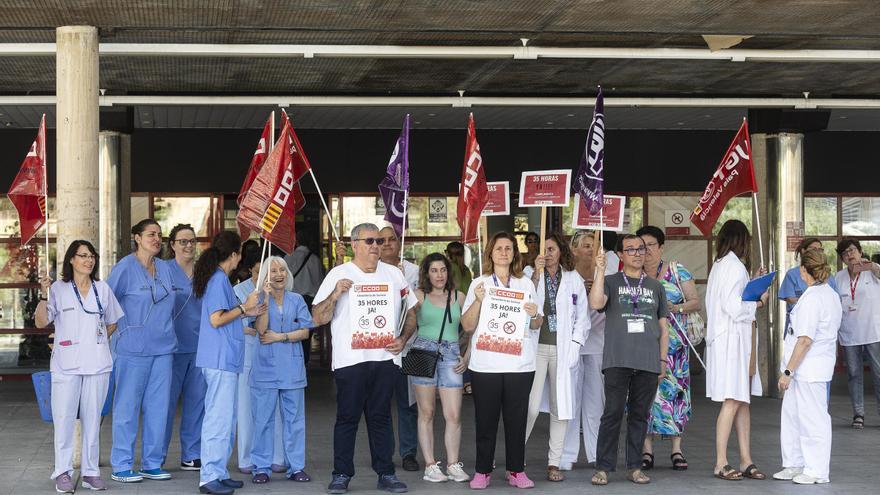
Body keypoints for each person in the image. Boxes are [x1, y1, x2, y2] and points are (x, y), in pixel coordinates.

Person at [311, 223, 418, 495]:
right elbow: (317, 317)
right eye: (369, 240)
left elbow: (412, 313)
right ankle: (341, 475)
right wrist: (336, 293)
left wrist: (403, 340)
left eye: (380, 241)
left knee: (381, 417)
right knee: (347, 418)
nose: (375, 246)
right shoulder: (339, 273)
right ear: (354, 244)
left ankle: (386, 473)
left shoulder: (394, 274)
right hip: (351, 360)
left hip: (385, 358)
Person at [36, 241, 124, 493]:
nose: (89, 260)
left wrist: (95, 340)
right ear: (71, 260)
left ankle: (90, 472)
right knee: (63, 420)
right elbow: (42, 322)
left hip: (97, 364)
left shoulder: (102, 288)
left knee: (93, 420)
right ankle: (62, 472)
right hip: (66, 365)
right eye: (83, 256)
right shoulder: (58, 289)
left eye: (92, 256)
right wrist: (44, 294)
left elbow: (113, 321)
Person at [460, 231, 543, 490]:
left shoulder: (526, 284)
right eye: (499, 249)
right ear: (491, 253)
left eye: (508, 248)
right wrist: (478, 300)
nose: (504, 252)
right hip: (486, 364)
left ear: (514, 253)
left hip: (520, 364)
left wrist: (533, 314)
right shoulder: (479, 283)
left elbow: (538, 322)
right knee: (485, 421)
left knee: (516, 421)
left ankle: (516, 470)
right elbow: (467, 325)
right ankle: (483, 471)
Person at [588, 234, 670, 486]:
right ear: (620, 256)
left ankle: (635, 467)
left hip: (647, 360)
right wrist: (600, 271)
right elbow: (595, 302)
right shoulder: (611, 282)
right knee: (612, 413)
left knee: (639, 415)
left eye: (640, 249)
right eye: (630, 249)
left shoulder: (656, 287)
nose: (636, 253)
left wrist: (663, 360)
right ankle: (603, 467)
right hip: (617, 359)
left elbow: (663, 327)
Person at [193, 231, 267, 495]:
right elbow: (216, 319)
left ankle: (220, 472)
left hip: (226, 359)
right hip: (219, 359)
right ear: (234, 255)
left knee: (227, 419)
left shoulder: (221, 280)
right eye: (240, 255)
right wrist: (245, 308)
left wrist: (249, 310)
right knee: (218, 419)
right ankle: (209, 476)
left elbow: (228, 315)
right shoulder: (217, 281)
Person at [107, 219, 177, 483]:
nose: (157, 239)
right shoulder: (124, 268)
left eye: (159, 234)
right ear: (137, 237)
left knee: (159, 409)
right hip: (132, 350)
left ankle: (152, 462)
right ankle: (122, 464)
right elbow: (106, 304)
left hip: (164, 349)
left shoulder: (165, 268)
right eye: (151, 234)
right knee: (127, 408)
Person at [705, 219, 769, 481]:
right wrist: (759, 300)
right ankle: (721, 462)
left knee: (742, 401)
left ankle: (746, 459)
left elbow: (733, 297)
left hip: (732, 341)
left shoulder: (722, 265)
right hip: (731, 342)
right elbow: (735, 307)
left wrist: (753, 283)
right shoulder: (732, 266)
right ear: (741, 240)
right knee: (732, 400)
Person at [773, 249, 842, 485]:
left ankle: (817, 470)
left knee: (813, 419)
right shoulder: (828, 294)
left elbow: (805, 340)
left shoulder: (814, 298)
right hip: (806, 368)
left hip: (810, 369)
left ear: (804, 270)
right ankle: (794, 463)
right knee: (792, 417)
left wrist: (788, 372)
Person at [525, 232, 590, 482]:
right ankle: (516, 457)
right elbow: (524, 302)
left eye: (552, 249)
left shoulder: (573, 278)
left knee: (560, 407)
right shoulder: (530, 274)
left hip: (564, 350)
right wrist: (536, 274)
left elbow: (582, 317)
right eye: (544, 249)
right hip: (536, 348)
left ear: (561, 251)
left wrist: (574, 345)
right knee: (529, 407)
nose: (548, 253)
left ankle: (555, 462)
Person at [636, 225, 701, 472]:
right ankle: (646, 450)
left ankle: (676, 449)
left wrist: (676, 308)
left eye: (651, 245)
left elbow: (695, 302)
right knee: (644, 396)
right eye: (641, 246)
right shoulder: (633, 274)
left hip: (674, 350)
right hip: (643, 346)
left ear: (661, 247)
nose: (646, 251)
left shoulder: (677, 271)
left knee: (675, 396)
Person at [250, 256, 314, 483]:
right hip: (265, 369)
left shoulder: (297, 299)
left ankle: (296, 467)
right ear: (265, 276)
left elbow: (305, 331)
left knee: (294, 420)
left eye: (282, 270)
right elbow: (261, 329)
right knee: (263, 420)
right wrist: (265, 297)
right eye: (273, 271)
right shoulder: (258, 299)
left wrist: (281, 336)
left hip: (292, 368)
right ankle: (261, 467)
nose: (278, 274)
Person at [411, 253, 470, 483]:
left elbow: (474, 329)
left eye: (443, 270)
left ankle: (453, 464)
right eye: (434, 270)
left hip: (452, 353)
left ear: (449, 272)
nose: (439, 275)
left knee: (454, 414)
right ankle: (430, 465)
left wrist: (467, 356)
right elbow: (403, 321)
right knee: (426, 413)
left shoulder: (459, 297)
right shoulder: (418, 296)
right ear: (426, 273)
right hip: (422, 351)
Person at [232, 244, 286, 474]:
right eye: (257, 272)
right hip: (247, 354)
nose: (261, 278)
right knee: (245, 407)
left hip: (273, 354)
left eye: (266, 272)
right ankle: (246, 458)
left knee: (274, 407)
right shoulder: (240, 291)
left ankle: (277, 456)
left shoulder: (281, 291)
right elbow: (236, 324)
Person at [162, 224, 206, 472]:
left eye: (192, 241)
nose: (188, 246)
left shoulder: (204, 273)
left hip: (200, 348)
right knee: (164, 405)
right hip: (170, 349)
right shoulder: (163, 271)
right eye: (183, 241)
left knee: (196, 403)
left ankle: (192, 454)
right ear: (173, 245)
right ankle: (156, 456)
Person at [561, 230, 606, 471]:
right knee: (570, 400)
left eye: (594, 244)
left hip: (597, 343)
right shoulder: (566, 276)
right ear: (574, 249)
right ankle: (566, 455)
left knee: (595, 401)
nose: (591, 249)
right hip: (572, 345)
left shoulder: (605, 272)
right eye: (586, 245)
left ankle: (596, 453)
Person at [378, 225, 420, 472]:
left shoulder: (413, 271)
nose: (385, 244)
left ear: (399, 241)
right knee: (380, 405)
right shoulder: (372, 270)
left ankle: (409, 453)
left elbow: (421, 306)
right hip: (380, 351)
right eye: (380, 240)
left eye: (391, 239)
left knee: (408, 405)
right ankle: (384, 454)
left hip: (410, 348)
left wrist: (404, 281)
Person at [834, 238, 880, 429]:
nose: (850, 255)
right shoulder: (839, 277)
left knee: (878, 373)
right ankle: (858, 413)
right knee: (854, 374)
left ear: (860, 252)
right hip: (849, 333)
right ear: (843, 259)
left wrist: (874, 267)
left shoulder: (872, 270)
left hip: (873, 332)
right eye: (845, 253)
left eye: (853, 250)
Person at [779, 238, 839, 333]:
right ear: (803, 251)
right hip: (798, 323)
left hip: (823, 325)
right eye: (813, 249)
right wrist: (812, 302)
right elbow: (789, 298)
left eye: (820, 249)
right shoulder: (792, 274)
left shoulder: (829, 276)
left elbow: (836, 300)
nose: (817, 252)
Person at [284, 230, 325, 363]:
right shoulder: (315, 259)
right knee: (306, 335)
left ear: (296, 241)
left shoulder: (288, 257)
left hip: (291, 300)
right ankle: (304, 363)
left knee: (291, 332)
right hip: (309, 301)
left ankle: (293, 362)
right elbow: (320, 282)